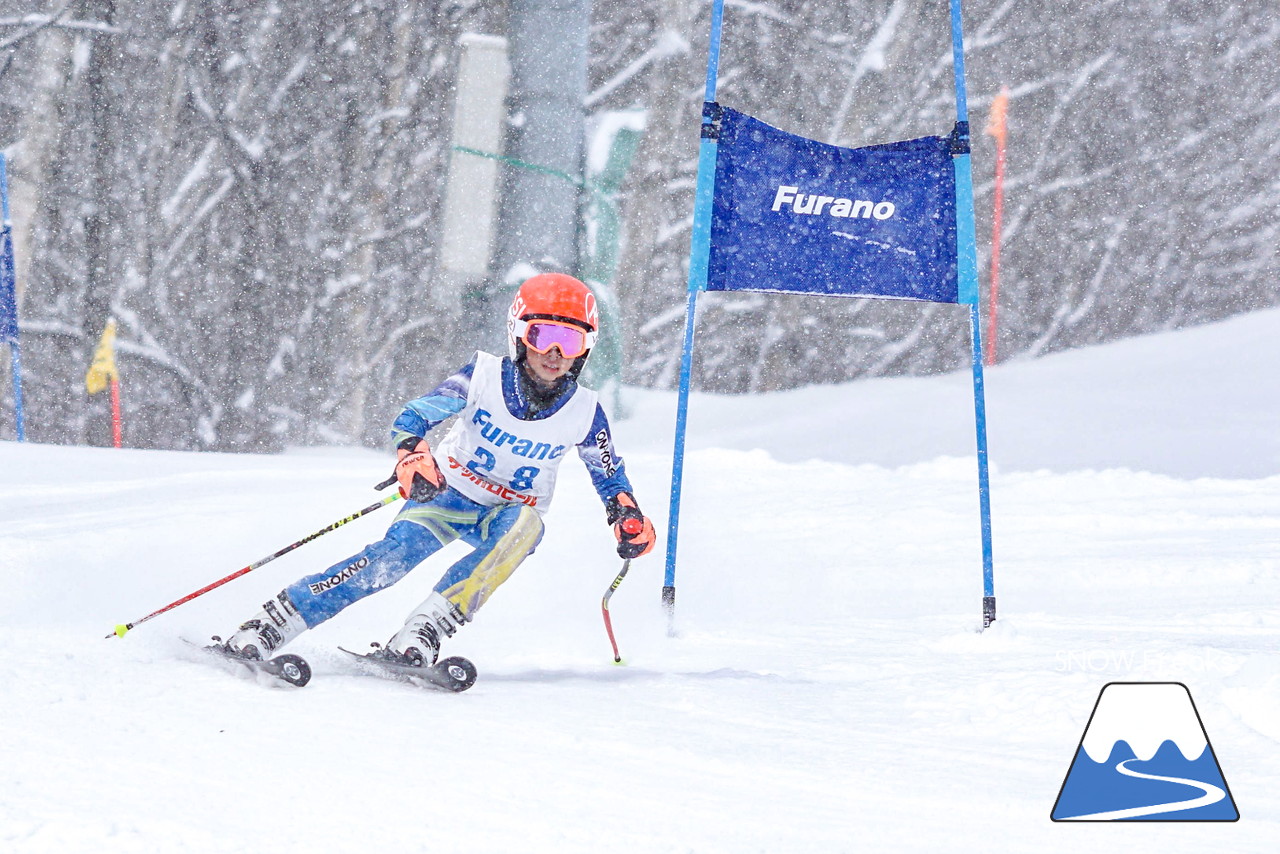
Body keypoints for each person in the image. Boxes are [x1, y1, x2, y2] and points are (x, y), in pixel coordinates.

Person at [222, 273, 656, 665]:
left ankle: (423, 631)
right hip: (446, 494)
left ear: (586, 349)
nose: (556, 353)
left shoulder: (584, 411)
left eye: (572, 341)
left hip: (505, 515)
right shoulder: (483, 377)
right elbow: (415, 416)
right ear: (520, 336)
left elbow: (608, 473)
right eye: (543, 336)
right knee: (384, 565)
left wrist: (626, 514)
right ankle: (273, 623)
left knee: (527, 528)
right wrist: (413, 455)